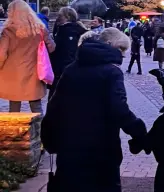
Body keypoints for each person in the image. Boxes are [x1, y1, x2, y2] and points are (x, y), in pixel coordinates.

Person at [41, 28, 149, 192]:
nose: (123, 55)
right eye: (121, 49)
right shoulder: (112, 72)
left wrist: (49, 139)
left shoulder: (71, 69)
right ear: (109, 45)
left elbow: (54, 106)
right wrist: (139, 133)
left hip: (70, 148)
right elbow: (119, 109)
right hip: (101, 150)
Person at [0, 0, 55, 113]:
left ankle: (15, 130)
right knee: (36, 106)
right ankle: (39, 129)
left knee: (14, 106)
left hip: (13, 73)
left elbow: (2, 54)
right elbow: (52, 47)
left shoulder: (8, 30)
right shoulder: (40, 28)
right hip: (34, 71)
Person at [48, 7, 88, 100]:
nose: (58, 17)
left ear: (67, 16)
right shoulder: (65, 29)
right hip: (65, 69)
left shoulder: (68, 30)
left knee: (57, 99)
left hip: (63, 70)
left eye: (60, 15)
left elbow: (67, 52)